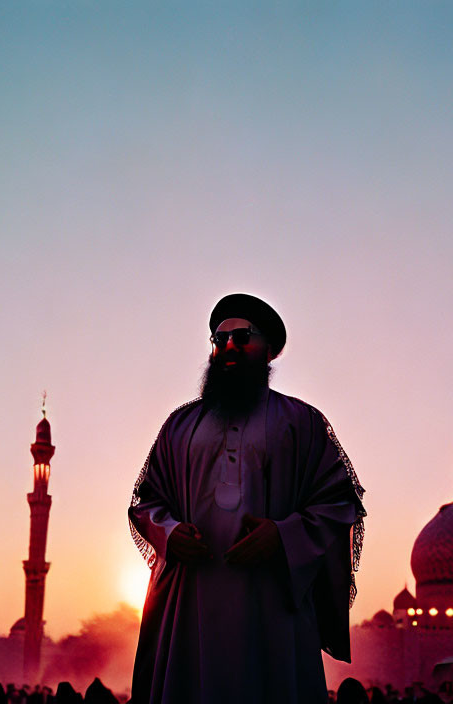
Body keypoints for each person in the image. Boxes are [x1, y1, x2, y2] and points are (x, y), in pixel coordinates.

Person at [128, 293, 366, 704]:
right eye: (218, 340)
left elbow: (340, 502)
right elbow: (146, 500)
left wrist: (283, 536)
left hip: (270, 605)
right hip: (191, 607)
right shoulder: (179, 425)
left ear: (269, 349)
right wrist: (168, 534)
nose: (228, 347)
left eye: (242, 336)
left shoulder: (301, 422)